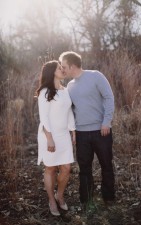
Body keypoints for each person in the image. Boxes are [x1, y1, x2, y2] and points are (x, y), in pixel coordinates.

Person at [59, 51, 115, 209]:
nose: (63, 70)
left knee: (106, 165)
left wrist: (106, 122)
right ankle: (86, 200)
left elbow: (109, 97)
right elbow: (71, 111)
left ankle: (109, 198)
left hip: (101, 130)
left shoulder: (95, 76)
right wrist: (74, 132)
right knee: (84, 169)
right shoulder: (69, 86)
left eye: (64, 67)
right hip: (82, 134)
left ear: (72, 66)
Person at [36, 60, 76, 216]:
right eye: (60, 68)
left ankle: (60, 195)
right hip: (49, 135)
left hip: (64, 135)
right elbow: (44, 117)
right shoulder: (45, 92)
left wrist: (73, 131)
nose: (63, 70)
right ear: (52, 71)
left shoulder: (65, 91)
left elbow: (69, 112)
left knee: (66, 168)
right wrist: (50, 138)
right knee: (51, 168)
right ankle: (51, 200)